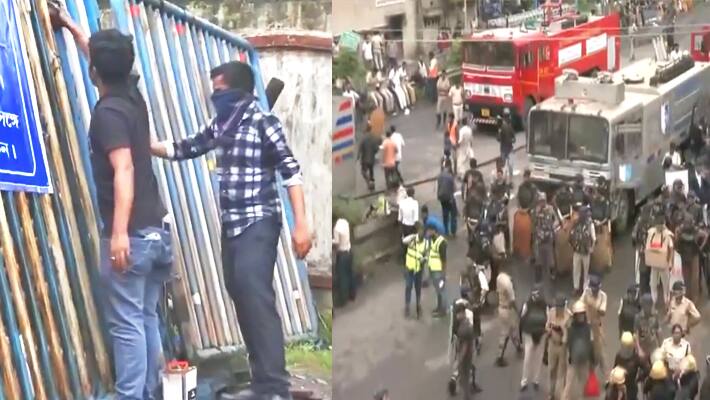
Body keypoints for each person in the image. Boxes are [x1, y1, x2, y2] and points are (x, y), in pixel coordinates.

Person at [150, 59, 312, 399]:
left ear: (239, 91)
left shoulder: (262, 121)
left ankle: (275, 388)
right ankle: (262, 381)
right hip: (233, 226)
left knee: (257, 298)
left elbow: (291, 172)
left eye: (220, 91)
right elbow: (186, 147)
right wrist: (146, 144)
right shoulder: (221, 124)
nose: (215, 97)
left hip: (259, 223)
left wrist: (302, 225)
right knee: (241, 297)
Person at [50, 13, 174, 398]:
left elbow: (124, 169)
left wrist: (119, 231)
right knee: (145, 317)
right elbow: (101, 58)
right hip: (157, 233)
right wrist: (72, 27)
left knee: (126, 324)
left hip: (132, 235)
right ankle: (151, 391)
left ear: (93, 72)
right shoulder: (132, 98)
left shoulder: (107, 114)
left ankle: (130, 395)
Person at [562, 301, 596, 400]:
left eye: (582, 314)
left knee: (583, 383)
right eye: (578, 314)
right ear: (575, 315)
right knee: (568, 384)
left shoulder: (588, 328)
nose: (580, 316)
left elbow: (591, 343)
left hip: (584, 361)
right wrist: (566, 358)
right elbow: (567, 344)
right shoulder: (570, 329)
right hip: (573, 361)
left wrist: (592, 359)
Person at [519, 283, 548, 391]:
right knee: (528, 357)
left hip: (541, 334)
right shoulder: (527, 304)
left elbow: (548, 319)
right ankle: (524, 381)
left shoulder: (545, 305)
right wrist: (521, 336)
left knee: (538, 357)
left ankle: (535, 380)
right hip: (529, 333)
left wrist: (546, 332)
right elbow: (522, 319)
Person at [675, 214, 706, 302]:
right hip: (693, 256)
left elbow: (676, 241)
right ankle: (693, 298)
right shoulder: (695, 230)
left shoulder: (680, 230)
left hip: (685, 256)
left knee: (687, 278)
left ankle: (689, 297)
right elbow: (705, 235)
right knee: (693, 278)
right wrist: (701, 247)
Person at [645, 220, 674, 308]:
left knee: (659, 284)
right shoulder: (656, 233)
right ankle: (660, 302)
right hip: (658, 264)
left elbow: (671, 248)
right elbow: (671, 249)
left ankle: (661, 302)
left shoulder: (655, 232)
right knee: (659, 284)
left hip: (658, 263)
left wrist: (669, 262)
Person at [546, 295, 571, 400]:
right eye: (557, 306)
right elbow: (547, 326)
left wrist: (563, 331)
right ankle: (551, 393)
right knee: (552, 369)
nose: (558, 309)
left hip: (562, 347)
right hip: (552, 344)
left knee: (562, 371)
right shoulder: (551, 312)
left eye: (560, 307)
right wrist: (550, 330)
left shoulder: (568, 315)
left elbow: (569, 335)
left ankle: (562, 395)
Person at [495, 272, 522, 367]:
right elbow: (512, 300)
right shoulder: (508, 284)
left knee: (512, 330)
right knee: (506, 333)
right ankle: (500, 357)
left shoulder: (499, 277)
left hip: (501, 308)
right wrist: (519, 312)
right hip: (507, 310)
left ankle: (518, 347)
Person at [403, 226, 428, 319]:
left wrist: (424, 260)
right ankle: (407, 306)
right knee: (408, 286)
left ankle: (418, 305)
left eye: (422, 232)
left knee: (418, 289)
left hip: (418, 270)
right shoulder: (412, 239)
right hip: (410, 268)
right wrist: (413, 236)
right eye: (419, 231)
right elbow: (404, 241)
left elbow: (425, 256)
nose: (420, 234)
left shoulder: (425, 244)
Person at [532, 192, 557, 286]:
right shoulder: (536, 210)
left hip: (548, 237)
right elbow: (533, 222)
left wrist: (553, 227)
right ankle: (538, 278)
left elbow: (556, 220)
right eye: (540, 201)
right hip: (539, 238)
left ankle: (552, 274)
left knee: (550, 258)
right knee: (538, 258)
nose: (542, 203)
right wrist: (537, 213)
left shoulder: (550, 209)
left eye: (543, 201)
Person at [570, 206, 596, 295]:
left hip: (586, 251)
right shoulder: (576, 223)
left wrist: (592, 248)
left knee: (586, 271)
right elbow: (571, 235)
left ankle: (585, 288)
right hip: (577, 251)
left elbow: (594, 238)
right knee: (576, 270)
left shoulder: (590, 224)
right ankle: (576, 287)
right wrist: (572, 245)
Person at [333, 217, 355, 306]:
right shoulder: (345, 222)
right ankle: (352, 294)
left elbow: (337, 242)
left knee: (342, 277)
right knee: (350, 273)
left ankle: (343, 300)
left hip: (342, 254)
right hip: (349, 251)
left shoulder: (336, 229)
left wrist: (332, 241)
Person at [634, 294, 661, 363]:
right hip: (643, 346)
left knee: (657, 364)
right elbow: (636, 335)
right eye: (645, 305)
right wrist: (639, 349)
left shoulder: (655, 315)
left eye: (649, 304)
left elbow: (658, 331)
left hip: (653, 346)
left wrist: (660, 346)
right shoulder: (638, 317)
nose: (647, 307)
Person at [614, 332, 642, 400]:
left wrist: (638, 378)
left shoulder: (635, 357)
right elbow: (615, 369)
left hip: (631, 386)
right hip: (621, 386)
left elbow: (646, 369)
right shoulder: (619, 356)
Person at [427, 227, 448, 316]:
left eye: (429, 230)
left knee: (441, 290)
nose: (427, 233)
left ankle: (442, 310)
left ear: (434, 231)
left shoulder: (441, 242)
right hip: (433, 269)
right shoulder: (432, 240)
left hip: (438, 271)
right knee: (437, 290)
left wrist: (443, 273)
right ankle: (439, 307)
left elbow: (444, 260)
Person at [437, 160, 458, 236]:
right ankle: (453, 230)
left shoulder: (439, 176)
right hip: (449, 198)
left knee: (445, 214)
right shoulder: (450, 177)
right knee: (453, 214)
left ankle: (446, 231)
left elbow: (438, 187)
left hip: (442, 198)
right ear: (448, 167)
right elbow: (455, 188)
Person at [399, 186, 419, 256]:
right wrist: (418, 229)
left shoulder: (402, 203)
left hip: (404, 226)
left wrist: (401, 228)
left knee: (405, 242)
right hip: (412, 227)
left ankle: (405, 256)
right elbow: (416, 219)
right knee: (413, 243)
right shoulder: (415, 203)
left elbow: (399, 218)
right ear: (413, 194)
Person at [497, 108, 516, 179]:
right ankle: (510, 180)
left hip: (503, 150)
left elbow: (498, 139)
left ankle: (502, 180)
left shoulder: (501, 127)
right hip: (510, 149)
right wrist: (510, 140)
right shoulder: (510, 127)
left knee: (503, 166)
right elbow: (514, 139)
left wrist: (499, 132)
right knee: (510, 166)